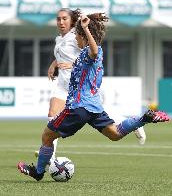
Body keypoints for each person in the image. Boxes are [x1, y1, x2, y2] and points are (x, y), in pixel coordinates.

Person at [17, 13, 169, 181]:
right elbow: (88, 59)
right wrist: (63, 63)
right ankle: (144, 118)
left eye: (77, 36)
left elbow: (93, 51)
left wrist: (85, 29)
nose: (75, 39)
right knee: (115, 134)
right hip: (94, 107)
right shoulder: (86, 55)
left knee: (47, 135)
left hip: (78, 107)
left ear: (84, 36)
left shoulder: (91, 52)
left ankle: (38, 172)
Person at [35, 8, 81, 159]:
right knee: (52, 114)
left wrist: (74, 64)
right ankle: (50, 155)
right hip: (62, 86)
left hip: (79, 86)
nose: (61, 22)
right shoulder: (59, 39)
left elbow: (92, 55)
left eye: (65, 19)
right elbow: (62, 54)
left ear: (72, 20)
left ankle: (130, 123)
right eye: (58, 19)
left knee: (101, 116)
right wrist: (53, 64)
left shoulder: (76, 36)